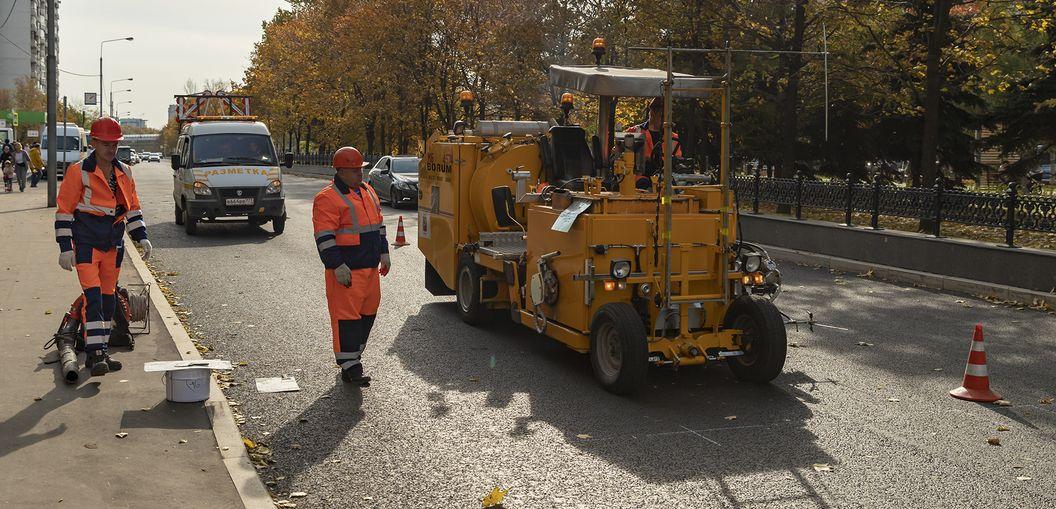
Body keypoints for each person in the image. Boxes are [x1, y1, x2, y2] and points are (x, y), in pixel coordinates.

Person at [55, 117, 152, 376]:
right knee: (93, 299)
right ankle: (96, 353)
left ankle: (102, 353)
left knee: (109, 302)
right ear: (94, 142)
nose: (111, 148)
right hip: (86, 244)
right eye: (106, 143)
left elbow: (132, 208)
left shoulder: (125, 172)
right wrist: (65, 247)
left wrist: (141, 236)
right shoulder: (79, 172)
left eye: (115, 144)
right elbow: (64, 211)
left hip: (113, 245)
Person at [312, 146, 391, 386]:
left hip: (369, 267)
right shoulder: (327, 198)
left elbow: (378, 225)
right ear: (342, 171)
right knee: (346, 318)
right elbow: (324, 236)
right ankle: (350, 366)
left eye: (361, 169)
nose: (361, 174)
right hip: (347, 270)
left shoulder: (367, 191)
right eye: (356, 170)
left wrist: (384, 252)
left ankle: (354, 357)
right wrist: (337, 265)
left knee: (368, 314)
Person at [624, 97, 683, 189]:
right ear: (651, 112)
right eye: (655, 110)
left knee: (667, 199)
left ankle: (665, 202)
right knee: (642, 185)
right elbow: (619, 154)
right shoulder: (634, 131)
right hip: (638, 182)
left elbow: (677, 160)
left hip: (664, 183)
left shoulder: (673, 137)